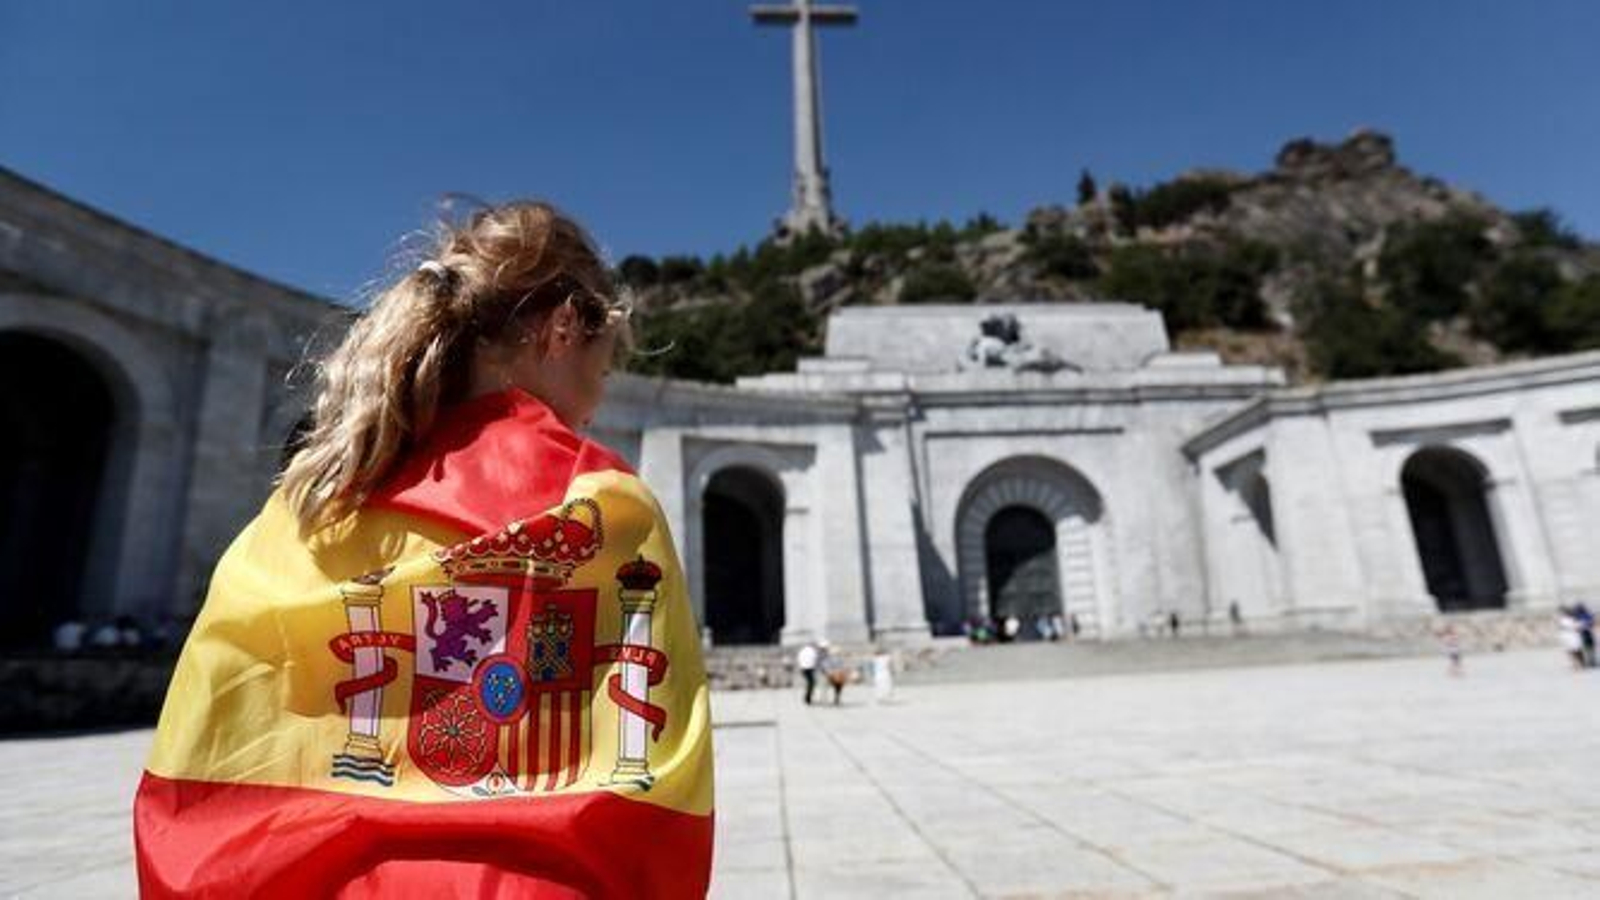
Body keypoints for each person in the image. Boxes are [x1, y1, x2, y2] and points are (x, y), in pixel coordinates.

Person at [133, 202, 714, 898]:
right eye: (606, 364)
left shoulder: (308, 503)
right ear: (563, 329)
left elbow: (209, 746)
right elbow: (651, 777)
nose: (597, 397)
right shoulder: (602, 502)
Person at [796, 640, 820, 704]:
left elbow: (799, 659)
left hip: (803, 668)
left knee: (810, 683)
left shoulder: (802, 651)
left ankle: (808, 696)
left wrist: (801, 666)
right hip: (810, 668)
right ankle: (808, 697)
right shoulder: (813, 651)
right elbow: (815, 659)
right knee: (812, 683)